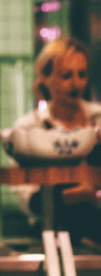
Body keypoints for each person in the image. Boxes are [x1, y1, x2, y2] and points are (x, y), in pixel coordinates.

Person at [11, 36, 101, 244]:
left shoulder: (97, 118)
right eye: (66, 75)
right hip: (50, 236)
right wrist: (78, 195)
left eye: (82, 74)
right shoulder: (29, 127)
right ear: (45, 76)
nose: (75, 83)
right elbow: (27, 199)